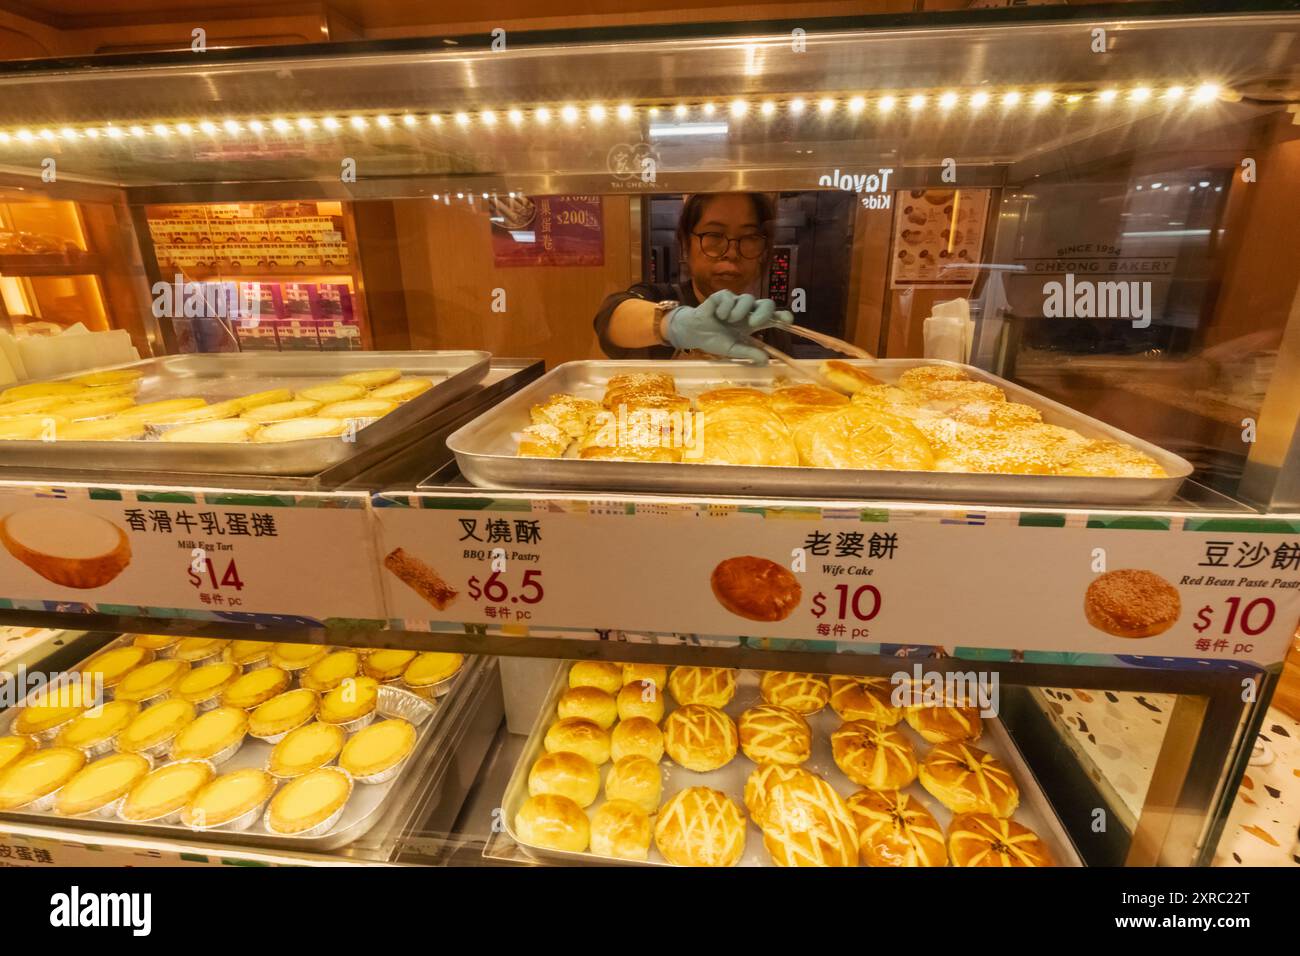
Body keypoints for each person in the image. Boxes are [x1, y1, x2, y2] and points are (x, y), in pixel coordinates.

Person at [593, 192, 793, 363]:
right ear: (685, 245)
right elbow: (611, 318)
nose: (732, 252)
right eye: (714, 235)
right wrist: (674, 324)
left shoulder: (770, 328)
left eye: (749, 237)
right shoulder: (658, 296)